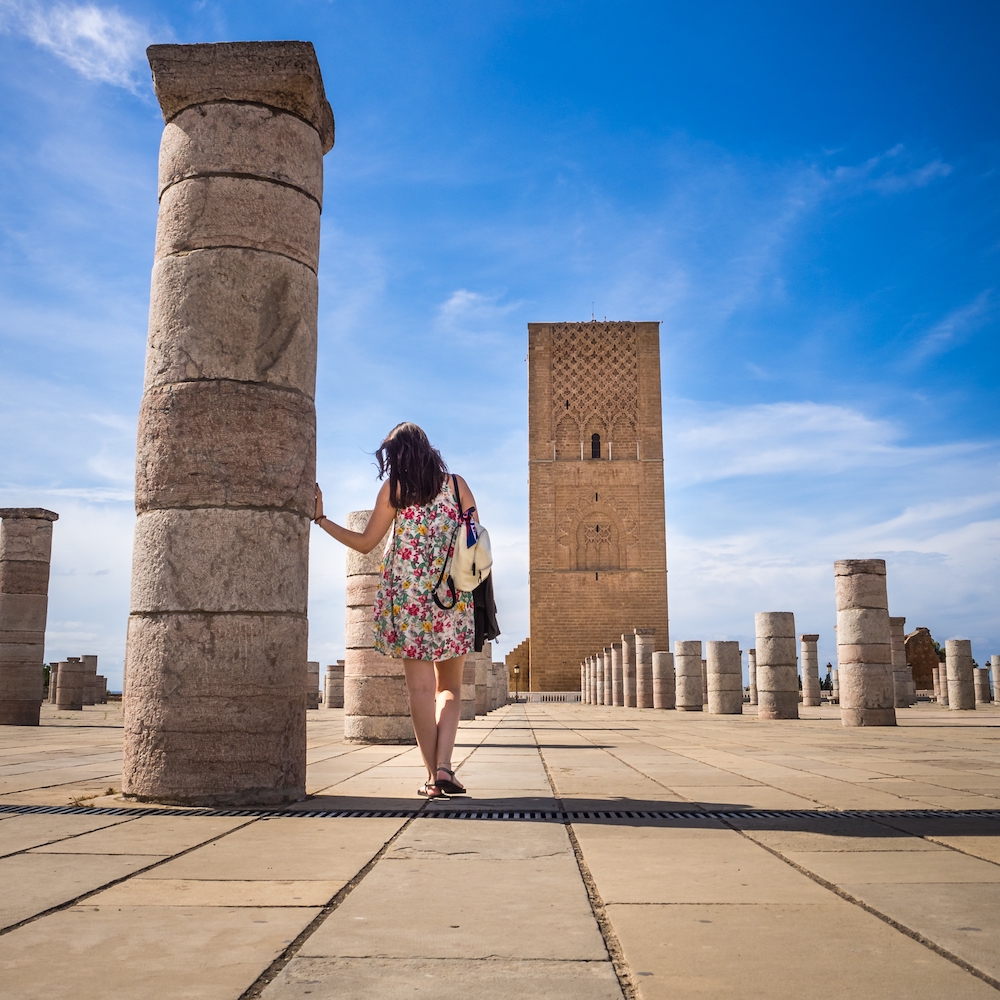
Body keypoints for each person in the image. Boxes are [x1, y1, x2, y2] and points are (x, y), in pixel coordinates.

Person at [313, 422, 476, 799]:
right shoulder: (456, 485)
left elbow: (366, 542)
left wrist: (322, 520)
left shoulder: (395, 490)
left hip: (408, 600)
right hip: (452, 596)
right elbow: (475, 537)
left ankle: (432, 779)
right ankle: (444, 766)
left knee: (419, 689)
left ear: (395, 456)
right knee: (449, 688)